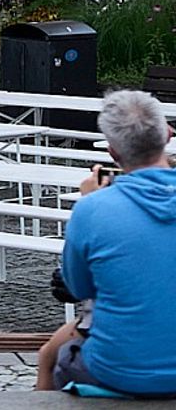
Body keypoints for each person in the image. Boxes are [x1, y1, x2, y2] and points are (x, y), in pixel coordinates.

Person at [36, 89, 176, 396]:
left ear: (113, 152)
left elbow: (78, 288)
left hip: (121, 373)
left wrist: (91, 203)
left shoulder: (93, 209)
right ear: (167, 135)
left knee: (59, 356)